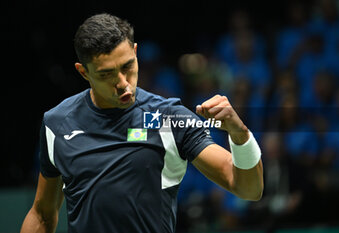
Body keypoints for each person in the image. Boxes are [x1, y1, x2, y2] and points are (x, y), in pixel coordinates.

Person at [20, 13, 264, 233]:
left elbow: (248, 188)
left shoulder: (169, 118)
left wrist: (240, 134)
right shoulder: (57, 123)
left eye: (128, 66)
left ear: (135, 52)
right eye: (106, 74)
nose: (123, 83)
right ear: (83, 72)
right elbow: (42, 215)